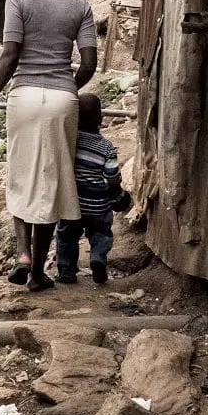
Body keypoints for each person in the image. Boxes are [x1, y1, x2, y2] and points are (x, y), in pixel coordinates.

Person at [0, 0, 97, 292]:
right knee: (51, 183)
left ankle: (23, 254)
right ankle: (38, 274)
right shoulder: (81, 5)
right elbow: (89, 64)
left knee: (21, 175)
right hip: (62, 100)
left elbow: (10, 55)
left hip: (24, 97)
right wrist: (67, 86)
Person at [55, 93, 126, 285]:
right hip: (98, 204)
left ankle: (66, 272)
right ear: (100, 119)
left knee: (66, 235)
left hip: (72, 203)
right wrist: (116, 191)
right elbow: (111, 175)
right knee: (101, 233)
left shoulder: (70, 142)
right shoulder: (106, 147)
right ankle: (97, 258)